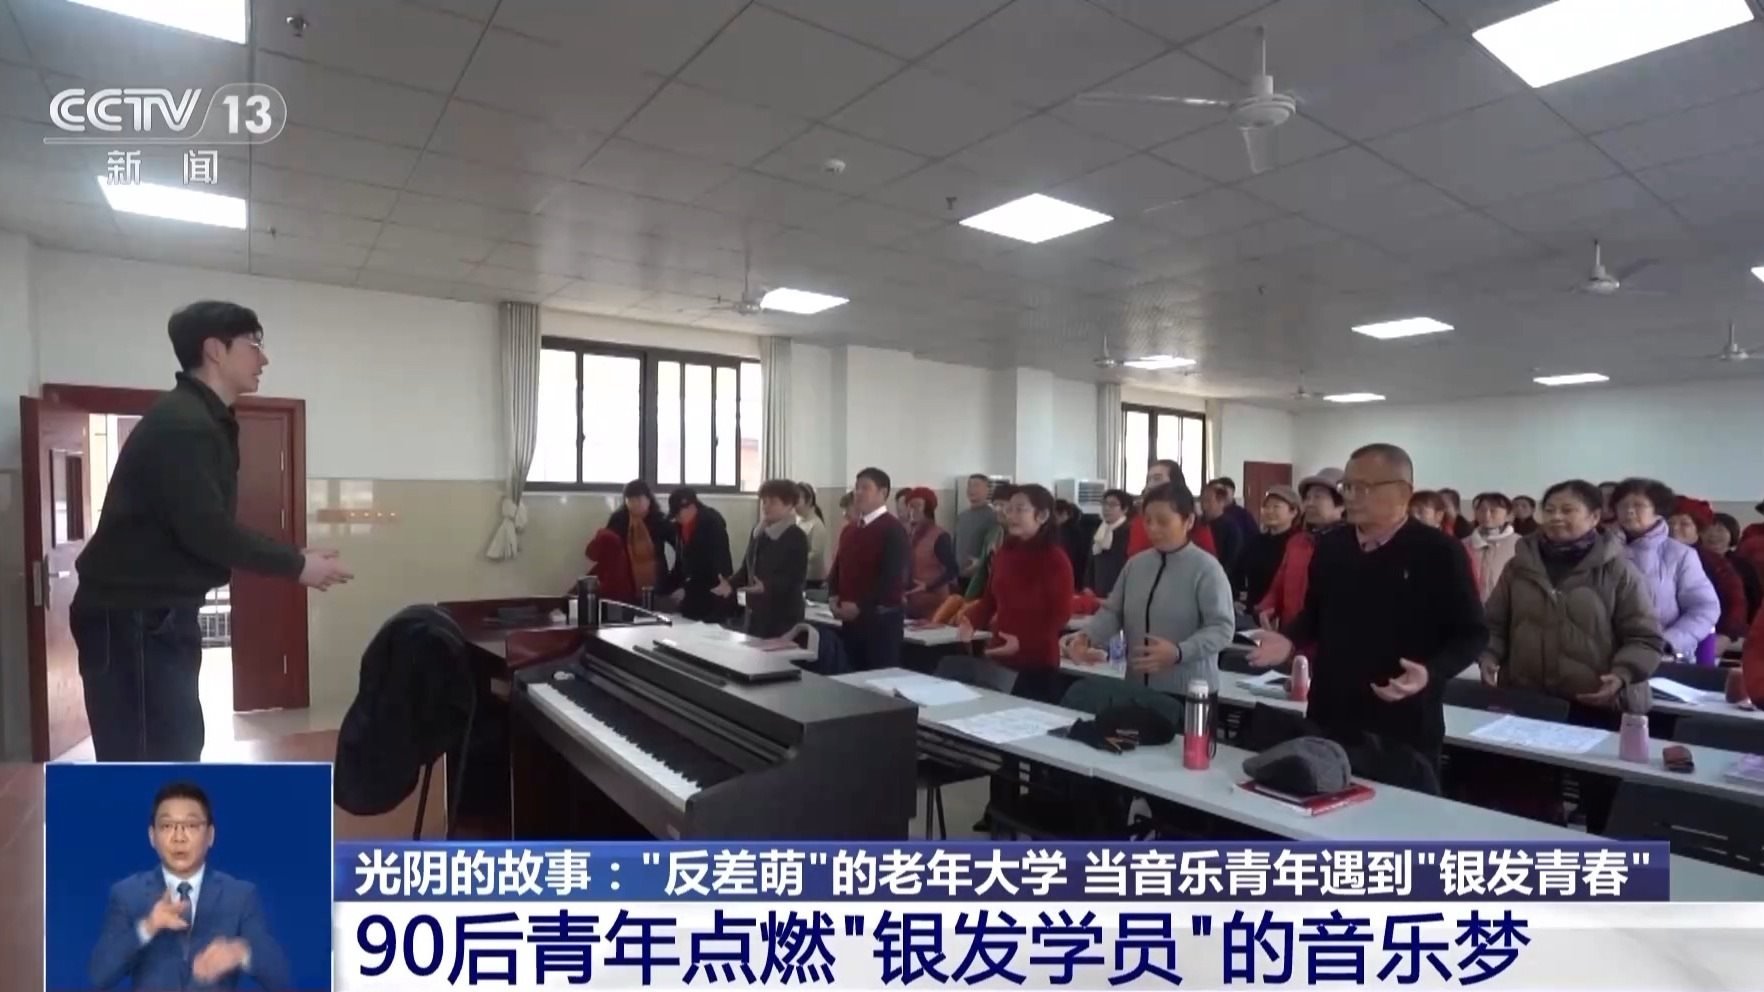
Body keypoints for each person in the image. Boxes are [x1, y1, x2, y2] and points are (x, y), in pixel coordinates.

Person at [70, 301, 352, 762]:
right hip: (133, 618)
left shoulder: (199, 418)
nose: (264, 358)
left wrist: (295, 556)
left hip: (148, 614)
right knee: (149, 759)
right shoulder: (185, 424)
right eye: (254, 344)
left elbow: (202, 524)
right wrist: (297, 565)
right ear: (215, 351)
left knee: (171, 749)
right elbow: (207, 531)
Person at [1249, 444, 1487, 768]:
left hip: (1403, 723)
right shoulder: (1332, 546)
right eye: (1346, 486)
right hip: (1330, 715)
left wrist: (1432, 673)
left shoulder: (1440, 552)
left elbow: (1473, 634)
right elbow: (1316, 613)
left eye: (1362, 488)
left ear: (1404, 492)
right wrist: (1290, 640)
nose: (1350, 496)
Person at [1478, 480, 1665, 713]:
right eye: (1549, 510)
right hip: (1527, 699)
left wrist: (1622, 674)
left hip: (1598, 703)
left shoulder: (1618, 571)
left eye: (1567, 510)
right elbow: (1494, 624)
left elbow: (1644, 637)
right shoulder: (1519, 567)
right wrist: (1488, 655)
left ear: (1594, 517)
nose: (1556, 517)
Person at [89, 781, 289, 991]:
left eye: (191, 826)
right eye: (167, 826)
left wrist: (240, 952)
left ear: (210, 835)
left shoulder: (240, 896)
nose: (179, 837)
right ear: (152, 836)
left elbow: (280, 977)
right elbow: (99, 975)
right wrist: (148, 927)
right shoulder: (128, 894)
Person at [1066, 482, 1236, 694]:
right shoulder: (1136, 565)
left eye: (1163, 521)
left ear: (1189, 521)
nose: (1153, 528)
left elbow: (1222, 628)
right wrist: (1086, 637)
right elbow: (1113, 612)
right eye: (1148, 521)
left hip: (1189, 690)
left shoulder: (1206, 569)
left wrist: (1179, 652)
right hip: (1137, 685)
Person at [958, 484, 1075, 703]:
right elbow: (989, 600)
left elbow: (1060, 616)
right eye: (1009, 509)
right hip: (1000, 655)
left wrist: (1022, 643)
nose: (1011, 515)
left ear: (1042, 516)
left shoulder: (1055, 559)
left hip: (1037, 662)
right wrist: (970, 622)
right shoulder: (1006, 552)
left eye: (1020, 509)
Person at [1610, 478, 1718, 660]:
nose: (1629, 511)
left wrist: (1668, 642)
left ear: (1658, 511)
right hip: (1607, 656)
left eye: (1639, 505)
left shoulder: (1680, 554)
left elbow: (1704, 607)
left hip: (1662, 656)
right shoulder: (1601, 550)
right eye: (1623, 505)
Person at [828, 468, 909, 671]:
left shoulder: (893, 529)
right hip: (850, 622)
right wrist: (833, 596)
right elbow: (838, 567)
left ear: (883, 493)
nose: (859, 493)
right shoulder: (850, 530)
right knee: (850, 678)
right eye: (857, 488)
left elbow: (891, 578)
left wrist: (860, 607)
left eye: (865, 488)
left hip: (880, 622)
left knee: (879, 679)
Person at [715, 480, 809, 638]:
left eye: (773, 502)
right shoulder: (759, 532)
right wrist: (730, 584)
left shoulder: (796, 536)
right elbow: (747, 568)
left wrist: (766, 586)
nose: (766, 506)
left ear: (789, 505)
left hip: (783, 615)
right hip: (756, 612)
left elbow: (794, 578)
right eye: (764, 501)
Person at [1257, 468, 1345, 633]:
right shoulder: (1298, 542)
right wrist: (1268, 607)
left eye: (1318, 497)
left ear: (1341, 504)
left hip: (1329, 635)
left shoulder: (1350, 545)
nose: (1310, 503)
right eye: (1308, 497)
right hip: (1291, 632)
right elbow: (1279, 584)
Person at [1668, 497, 1748, 648]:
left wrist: (1725, 637)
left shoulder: (1715, 563)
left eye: (1684, 524)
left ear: (1698, 530)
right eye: (1670, 523)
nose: (1675, 529)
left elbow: (1735, 601)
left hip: (1706, 639)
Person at [665, 487, 733, 623]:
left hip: (711, 595)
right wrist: (668, 586)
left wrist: (686, 589)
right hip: (691, 596)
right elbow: (681, 562)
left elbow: (716, 566)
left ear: (691, 506)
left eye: (678, 513)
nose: (677, 518)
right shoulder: (681, 526)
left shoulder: (712, 524)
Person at [1126, 460, 1216, 557]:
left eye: (1157, 478)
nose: (1150, 485)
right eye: (1148, 480)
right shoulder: (1138, 519)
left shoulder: (1195, 520)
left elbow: (1206, 558)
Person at [605, 480, 675, 599]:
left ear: (648, 499)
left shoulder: (659, 520)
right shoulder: (619, 519)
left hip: (656, 579)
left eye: (638, 499)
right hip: (625, 580)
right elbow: (607, 548)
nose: (635, 504)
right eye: (630, 500)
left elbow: (679, 546)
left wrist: (674, 580)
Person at [903, 488, 959, 619]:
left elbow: (953, 570)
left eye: (917, 505)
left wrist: (928, 586)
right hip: (911, 604)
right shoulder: (910, 535)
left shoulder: (940, 536)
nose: (913, 510)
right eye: (910, 506)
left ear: (928, 509)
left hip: (935, 606)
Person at [1242, 484, 1300, 610]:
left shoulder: (1299, 544)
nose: (1269, 511)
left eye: (1276, 507)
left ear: (1293, 512)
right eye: (1266, 507)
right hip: (1253, 610)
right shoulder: (1256, 541)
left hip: (1282, 613)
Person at [1702, 512, 1761, 623]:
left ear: (1732, 534)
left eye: (1720, 530)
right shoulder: (1691, 560)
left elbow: (1754, 601)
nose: (1713, 534)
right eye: (1707, 529)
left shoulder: (1744, 566)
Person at [1465, 492, 1521, 603]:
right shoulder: (1464, 544)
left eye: (1493, 511)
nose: (1487, 515)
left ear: (1508, 515)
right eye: (1482, 510)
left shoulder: (1520, 544)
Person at [1085, 488, 1133, 597]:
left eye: (1112, 505)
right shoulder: (1099, 530)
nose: (1106, 508)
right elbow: (1091, 561)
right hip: (1098, 588)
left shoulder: (1128, 531)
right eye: (1104, 504)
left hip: (1119, 590)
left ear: (1125, 509)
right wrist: (1088, 585)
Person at [1199, 482, 1245, 596]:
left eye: (1208, 501)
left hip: (1222, 583)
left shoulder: (1231, 527)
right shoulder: (1197, 524)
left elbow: (1231, 561)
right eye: (1202, 500)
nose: (1204, 505)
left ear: (1221, 502)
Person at [954, 474, 998, 580]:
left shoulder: (994, 517)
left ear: (987, 490)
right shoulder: (962, 516)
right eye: (969, 485)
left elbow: (995, 549)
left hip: (981, 577)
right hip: (959, 575)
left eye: (976, 485)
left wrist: (980, 563)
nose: (971, 489)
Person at [795, 483, 829, 590]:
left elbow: (816, 554)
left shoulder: (817, 524)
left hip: (812, 578)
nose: (794, 504)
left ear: (809, 500)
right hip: (799, 575)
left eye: (797, 500)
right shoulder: (798, 522)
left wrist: (795, 559)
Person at [1052, 499, 1092, 587]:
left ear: (1064, 514)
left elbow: (1067, 554)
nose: (1053, 520)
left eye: (1054, 516)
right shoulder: (1080, 529)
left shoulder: (1065, 532)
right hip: (1079, 575)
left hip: (1068, 574)